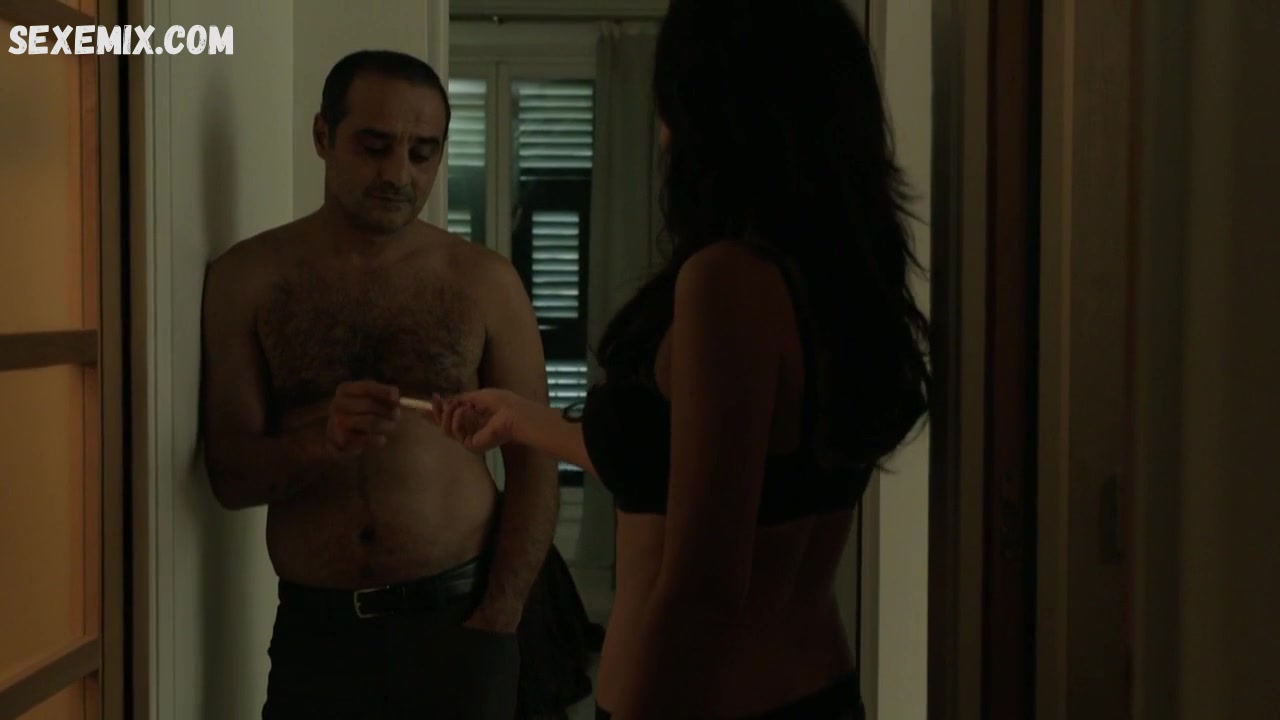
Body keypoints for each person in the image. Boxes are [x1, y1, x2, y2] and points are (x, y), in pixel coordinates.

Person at [423, 0, 932, 717]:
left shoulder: (727, 281)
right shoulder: (838, 278)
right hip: (815, 686)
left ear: (717, 116)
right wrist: (520, 420)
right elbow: (706, 468)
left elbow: (704, 586)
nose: (662, 130)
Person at [198, 49, 564, 719]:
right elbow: (229, 474)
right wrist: (321, 444)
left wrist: (501, 613)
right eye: (374, 147)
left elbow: (536, 462)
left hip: (459, 621)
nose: (399, 174)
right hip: (317, 635)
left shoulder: (484, 282)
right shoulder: (247, 279)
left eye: (423, 153)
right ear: (322, 135)